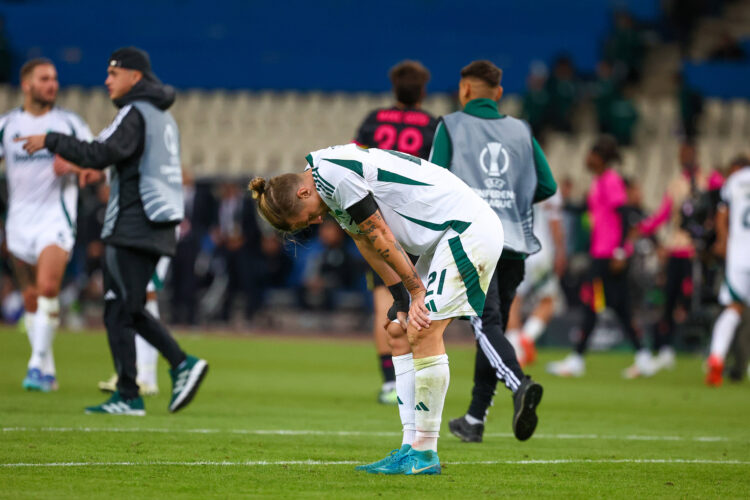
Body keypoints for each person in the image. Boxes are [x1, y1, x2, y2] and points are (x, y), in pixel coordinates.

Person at [250, 143, 541, 475]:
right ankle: (409, 448)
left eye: (307, 217)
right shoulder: (325, 178)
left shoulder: (334, 175)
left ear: (303, 192)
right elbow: (365, 241)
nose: (316, 221)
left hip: (465, 228)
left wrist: (416, 291)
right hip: (440, 240)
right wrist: (400, 298)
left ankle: (425, 453)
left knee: (423, 328)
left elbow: (380, 233)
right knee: (398, 331)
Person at [17, 46, 208, 415]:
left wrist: (52, 140)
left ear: (134, 77)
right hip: (158, 221)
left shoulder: (134, 112)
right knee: (119, 307)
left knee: (127, 306)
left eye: (113, 73)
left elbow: (100, 152)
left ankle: (180, 363)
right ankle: (129, 392)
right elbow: (128, 158)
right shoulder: (162, 116)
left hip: (133, 222)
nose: (106, 80)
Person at [429, 60, 554, 443]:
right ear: (498, 93)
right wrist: (509, 199)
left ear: (465, 89)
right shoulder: (521, 130)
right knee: (492, 328)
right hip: (515, 245)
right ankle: (475, 418)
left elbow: (433, 182)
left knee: (486, 326)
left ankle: (519, 385)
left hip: (474, 241)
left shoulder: (451, 126)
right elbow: (547, 185)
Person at [1, 58, 93, 392]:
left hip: (55, 218)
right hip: (19, 221)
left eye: (54, 78)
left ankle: (36, 365)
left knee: (48, 288)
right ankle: (48, 368)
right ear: (27, 85)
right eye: (44, 79)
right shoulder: (7, 125)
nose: (52, 84)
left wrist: (76, 166)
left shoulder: (70, 123)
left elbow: (98, 165)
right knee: (30, 296)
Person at [353, 60, 438, 404]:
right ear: (423, 91)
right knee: (421, 298)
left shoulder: (374, 120)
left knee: (383, 301)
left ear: (394, 88)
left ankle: (390, 382)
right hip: (418, 222)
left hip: (379, 221)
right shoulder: (433, 125)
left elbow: (353, 164)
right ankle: (419, 376)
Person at [547, 136, 653, 378]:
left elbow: (624, 215)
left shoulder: (611, 180)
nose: (587, 159)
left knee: (591, 303)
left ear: (600, 157)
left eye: (591, 154)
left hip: (609, 256)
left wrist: (620, 251)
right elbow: (586, 209)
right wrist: (557, 203)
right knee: (620, 307)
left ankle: (577, 359)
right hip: (602, 253)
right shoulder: (598, 181)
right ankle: (643, 356)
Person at [506, 191, 566, 367]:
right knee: (549, 301)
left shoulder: (510, 184)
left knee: (513, 301)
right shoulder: (549, 188)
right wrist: (560, 252)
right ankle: (526, 337)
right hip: (540, 252)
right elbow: (555, 223)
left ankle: (515, 349)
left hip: (515, 250)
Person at [97, 256, 171, 396]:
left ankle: (145, 376)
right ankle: (139, 374)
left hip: (152, 245)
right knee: (138, 297)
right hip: (140, 245)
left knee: (145, 295)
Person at [706, 159, 750, 386]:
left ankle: (716, 358)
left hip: (738, 255)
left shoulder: (734, 181)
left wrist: (723, 241)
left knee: (733, 308)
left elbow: (721, 215)